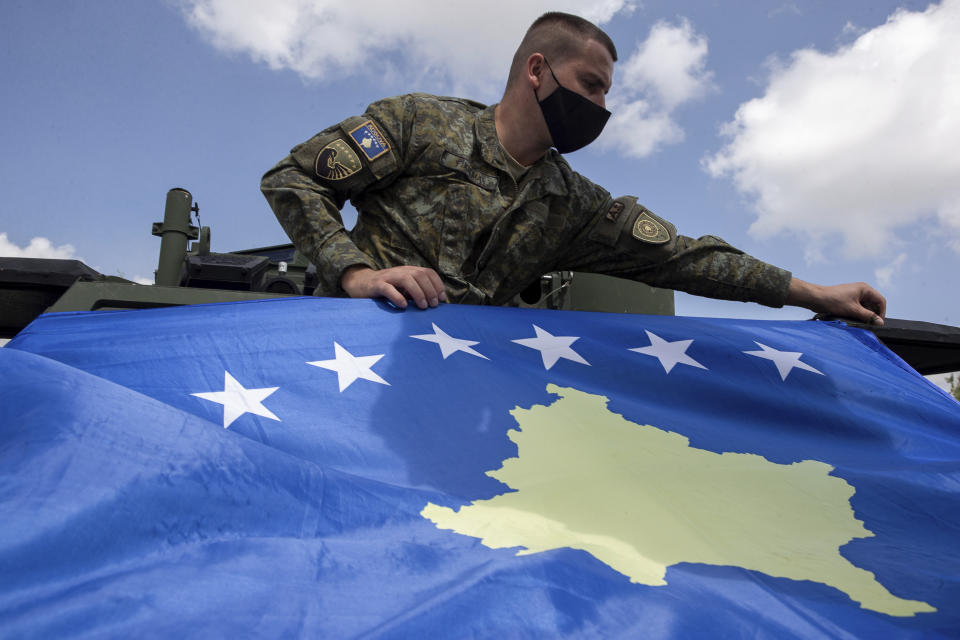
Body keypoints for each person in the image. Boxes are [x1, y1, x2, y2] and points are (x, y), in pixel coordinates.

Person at [261, 12, 886, 325]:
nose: (600, 107)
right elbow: (294, 178)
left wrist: (813, 293)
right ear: (537, 71)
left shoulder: (572, 203)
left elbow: (686, 258)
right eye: (591, 85)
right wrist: (357, 273)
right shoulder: (420, 123)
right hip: (350, 348)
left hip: (457, 384)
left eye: (607, 93)